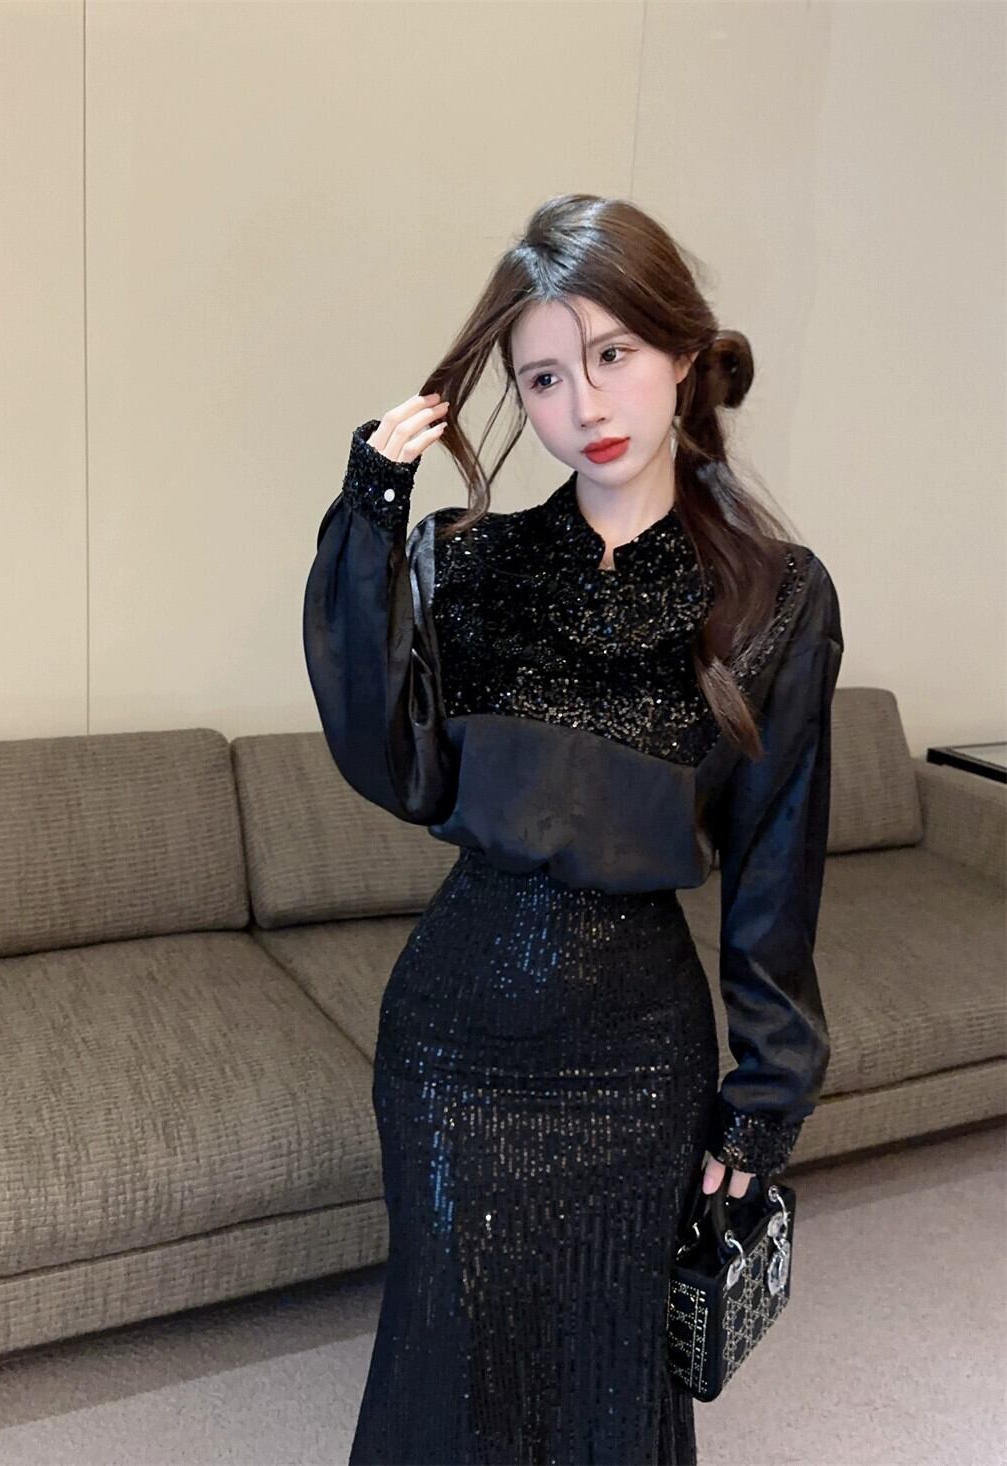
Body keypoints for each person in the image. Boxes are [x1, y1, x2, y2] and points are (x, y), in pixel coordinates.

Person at [302, 193, 843, 1466]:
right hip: (450, 1047)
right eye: (543, 377)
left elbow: (775, 865)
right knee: (450, 1356)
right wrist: (370, 513)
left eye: (611, 354)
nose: (582, 403)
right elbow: (394, 765)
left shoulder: (773, 593)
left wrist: (765, 1095)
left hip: (636, 1056)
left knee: (609, 1368)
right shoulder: (463, 559)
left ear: (680, 353)